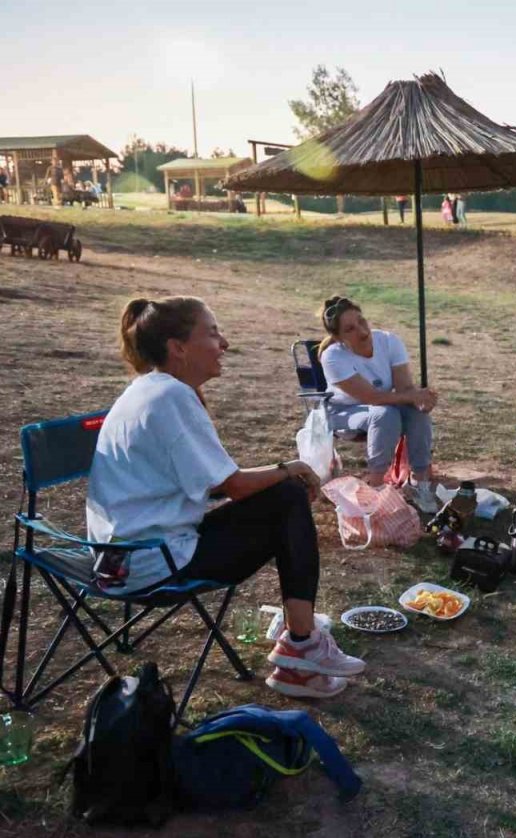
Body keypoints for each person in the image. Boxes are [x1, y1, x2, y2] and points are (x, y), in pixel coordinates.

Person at [87, 297, 366, 699]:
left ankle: (300, 646)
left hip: (125, 555)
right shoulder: (170, 397)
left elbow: (213, 483)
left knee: (282, 496)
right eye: (213, 333)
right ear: (177, 347)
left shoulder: (152, 389)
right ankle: (301, 649)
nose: (225, 343)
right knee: (287, 498)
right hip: (151, 561)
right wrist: (291, 468)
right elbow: (232, 486)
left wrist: (281, 475)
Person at [318, 297, 439, 512]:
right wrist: (414, 396)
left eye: (362, 321)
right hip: (344, 412)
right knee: (385, 413)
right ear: (338, 338)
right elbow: (371, 397)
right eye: (350, 329)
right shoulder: (332, 357)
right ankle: (376, 484)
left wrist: (421, 400)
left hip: (384, 406)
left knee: (416, 412)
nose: (362, 331)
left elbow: (403, 390)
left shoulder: (389, 341)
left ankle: (420, 482)